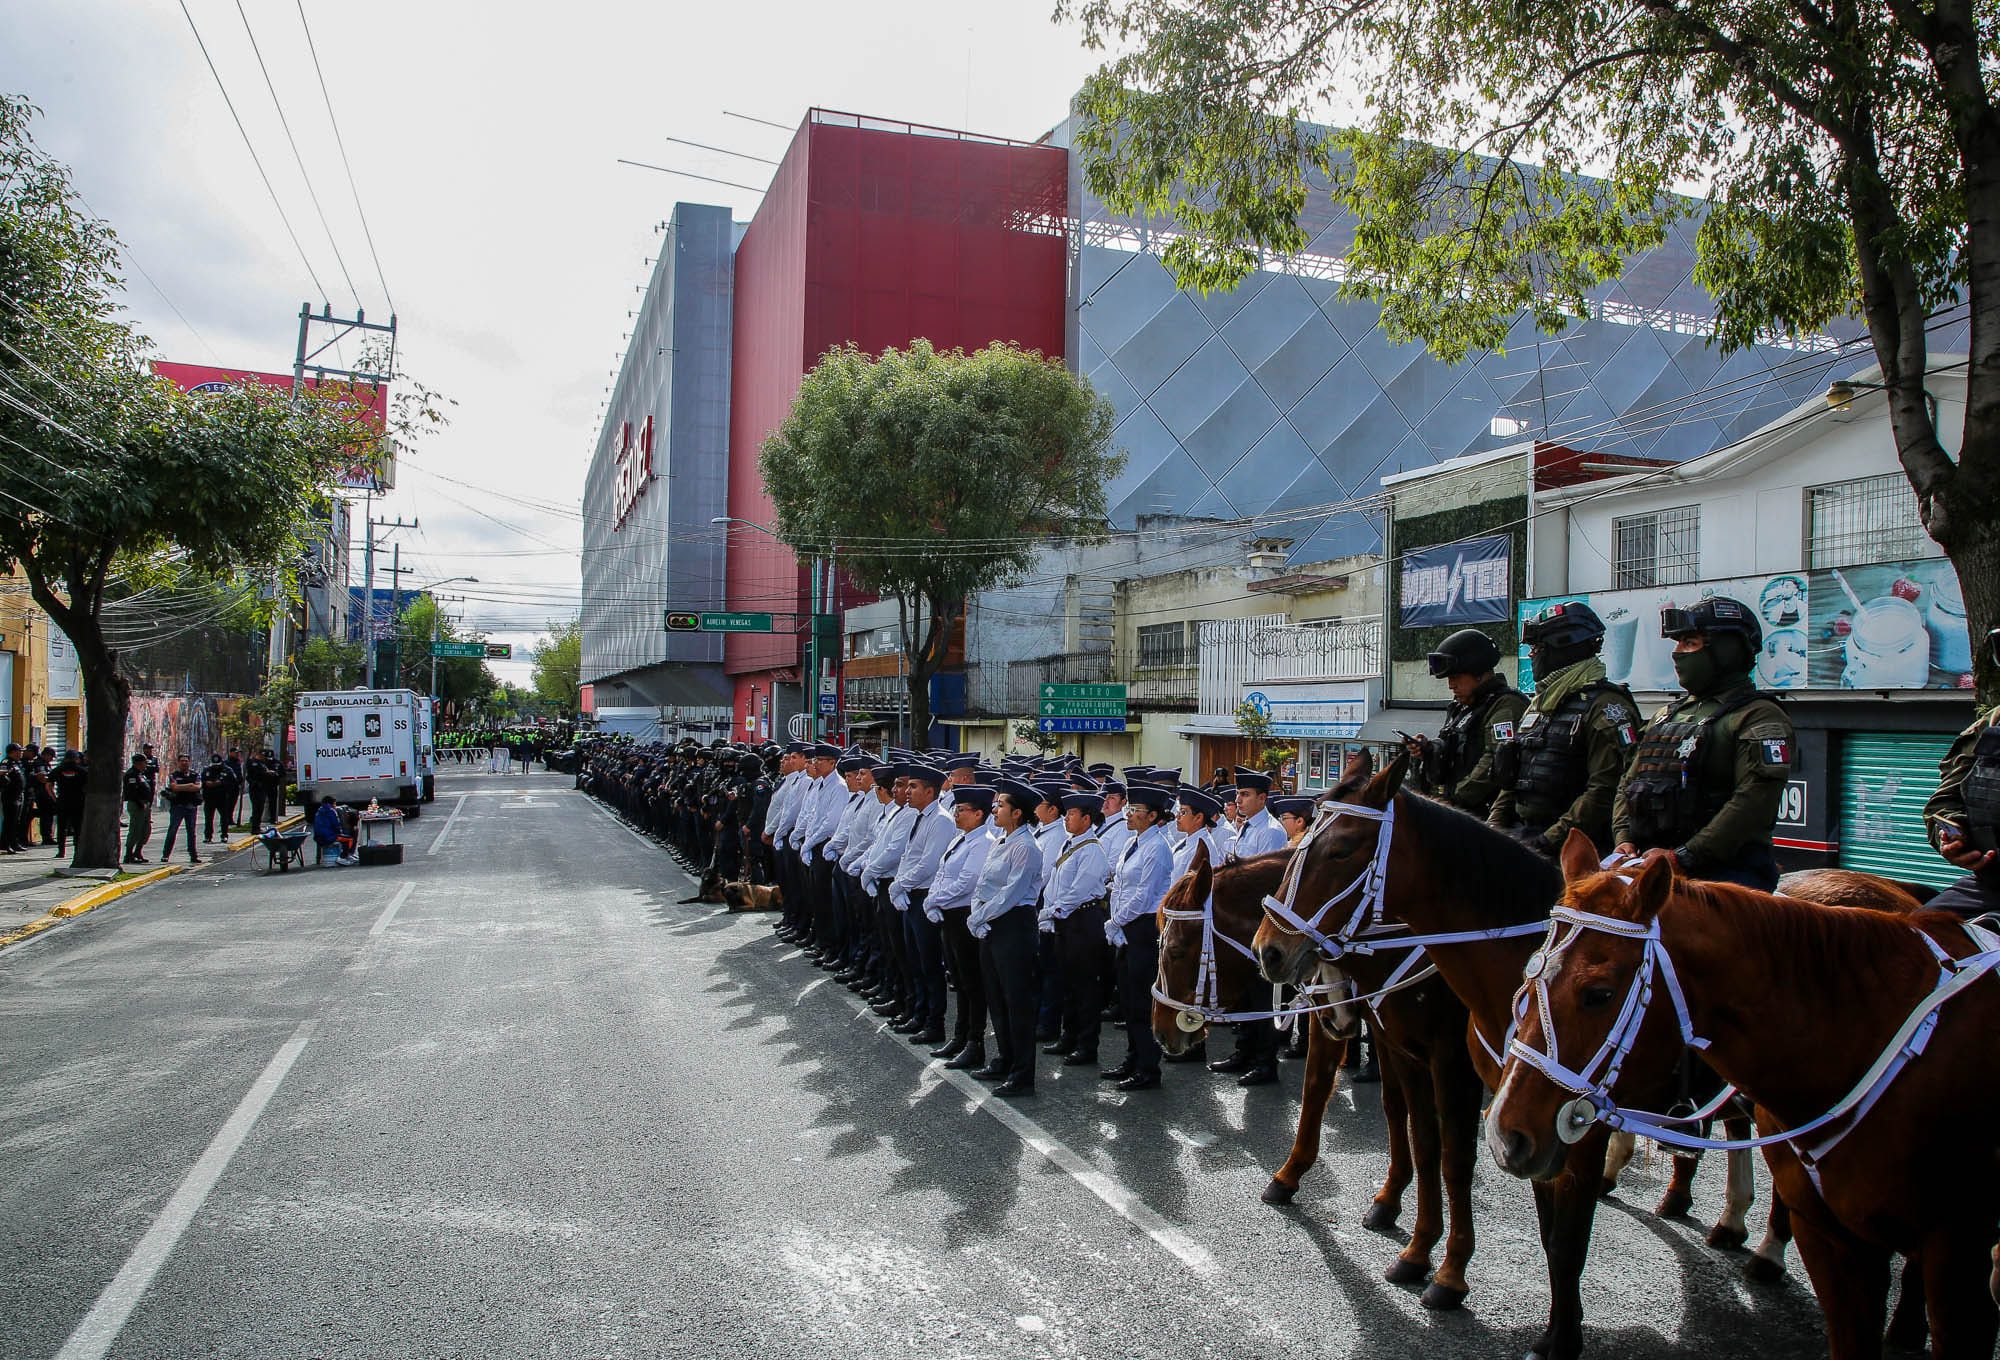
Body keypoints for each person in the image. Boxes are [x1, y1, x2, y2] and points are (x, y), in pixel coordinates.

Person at [1611, 597, 1795, 890]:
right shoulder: (1665, 714)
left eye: (1690, 643)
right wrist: (1624, 840)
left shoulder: (1758, 716)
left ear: (1726, 651)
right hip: (1651, 867)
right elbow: (1628, 782)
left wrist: (1684, 856)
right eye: (1677, 643)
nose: (1677, 653)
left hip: (1726, 877)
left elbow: (1752, 803)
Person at [1489, 601, 1640, 856]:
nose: (1533, 655)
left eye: (1538, 647)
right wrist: (1493, 827)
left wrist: (1546, 842)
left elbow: (1603, 791)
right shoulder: (1540, 704)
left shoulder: (1606, 706)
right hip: (1525, 838)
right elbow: (1513, 777)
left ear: (1564, 647)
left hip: (1576, 850)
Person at [968, 779, 1049, 1097]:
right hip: (991, 923)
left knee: (1018, 1002)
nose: (994, 809)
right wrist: (978, 913)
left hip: (1014, 925)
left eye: (1000, 805)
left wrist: (981, 916)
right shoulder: (1001, 840)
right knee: (996, 998)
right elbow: (983, 883)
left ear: (1017, 813)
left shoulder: (1027, 847)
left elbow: (1012, 893)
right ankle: (1004, 1057)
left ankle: (1022, 1074)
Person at [1406, 628, 1528, 818]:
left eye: (1456, 677)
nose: (1451, 685)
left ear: (1478, 672)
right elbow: (1455, 747)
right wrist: (1429, 749)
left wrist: (1453, 802)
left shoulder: (1506, 705)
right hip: (1459, 814)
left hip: (1485, 818)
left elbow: (1496, 760)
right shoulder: (1463, 706)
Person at [1103, 783, 1175, 1091]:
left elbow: (1145, 895)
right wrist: (1117, 921)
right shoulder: (1134, 842)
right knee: (1130, 999)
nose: (1129, 815)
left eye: (1136, 811)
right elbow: (1121, 885)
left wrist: (1117, 920)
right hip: (1127, 926)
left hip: (1144, 927)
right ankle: (1133, 1058)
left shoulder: (1157, 847)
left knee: (1143, 1001)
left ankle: (1149, 1068)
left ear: (1153, 816)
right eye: (1128, 809)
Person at [1923, 627, 2000, 917]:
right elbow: (1943, 804)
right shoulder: (1989, 727)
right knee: (1914, 939)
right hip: (1992, 885)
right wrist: (1954, 837)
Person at [1039, 791, 1113, 1068]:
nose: (1066, 818)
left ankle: (1086, 1044)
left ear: (1086, 818)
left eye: (1071, 814)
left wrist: (1051, 911)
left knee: (1085, 988)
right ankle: (1068, 1036)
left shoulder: (1092, 850)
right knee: (1066, 983)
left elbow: (1078, 892)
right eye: (1066, 813)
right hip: (1064, 922)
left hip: (1083, 921)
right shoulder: (1068, 845)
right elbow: (1055, 884)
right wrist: (1050, 912)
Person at [926, 785, 996, 1070]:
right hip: (950, 916)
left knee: (972, 983)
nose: (956, 814)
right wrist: (934, 898)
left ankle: (974, 1041)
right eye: (956, 809)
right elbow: (943, 873)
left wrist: (934, 900)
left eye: (962, 810)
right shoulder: (961, 839)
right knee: (959, 981)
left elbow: (967, 882)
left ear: (979, 814)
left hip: (965, 916)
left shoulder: (984, 842)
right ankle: (960, 1036)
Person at [890, 763, 957, 1046]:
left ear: (930, 791)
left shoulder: (940, 820)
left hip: (925, 897)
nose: (907, 791)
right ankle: (918, 1012)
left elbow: (929, 863)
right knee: (913, 960)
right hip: (911, 895)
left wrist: (901, 884)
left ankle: (934, 1022)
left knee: (930, 963)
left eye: (913, 787)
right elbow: (909, 856)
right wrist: (900, 884)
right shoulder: (919, 816)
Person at [1229, 767, 1288, 858]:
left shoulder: (1270, 831)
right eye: (1237, 793)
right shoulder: (1248, 824)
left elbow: (1266, 870)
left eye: (1245, 794)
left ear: (1262, 798)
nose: (1237, 800)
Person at [161, 756, 203, 864]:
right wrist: (189, 785)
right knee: (173, 830)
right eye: (182, 761)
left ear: (189, 762)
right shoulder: (174, 775)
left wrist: (183, 787)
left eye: (186, 761)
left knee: (191, 832)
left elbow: (198, 787)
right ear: (178, 762)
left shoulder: (195, 775)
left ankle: (193, 855)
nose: (184, 763)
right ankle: (166, 855)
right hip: (177, 806)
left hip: (191, 806)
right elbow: (174, 787)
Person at [52, 750, 88, 858]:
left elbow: (48, 784)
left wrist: (54, 797)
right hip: (78, 801)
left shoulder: (59, 769)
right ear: (77, 759)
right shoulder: (82, 771)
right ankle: (77, 851)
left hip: (63, 801)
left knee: (62, 828)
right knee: (78, 828)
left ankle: (61, 851)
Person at [122, 753, 154, 864]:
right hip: (137, 805)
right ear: (138, 763)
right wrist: (141, 803)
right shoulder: (131, 775)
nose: (146, 765)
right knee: (135, 830)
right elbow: (131, 792)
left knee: (145, 830)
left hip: (145, 805)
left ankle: (138, 852)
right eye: (145, 763)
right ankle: (129, 854)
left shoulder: (141, 774)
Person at [201, 751, 239, 843]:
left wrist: (221, 783)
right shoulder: (207, 770)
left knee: (224, 818)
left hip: (223, 798)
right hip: (209, 798)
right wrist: (211, 784)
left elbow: (234, 782)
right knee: (208, 818)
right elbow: (203, 782)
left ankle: (224, 835)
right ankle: (208, 836)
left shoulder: (227, 770)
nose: (216, 767)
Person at [0, 744, 25, 854]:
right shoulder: (6, 763)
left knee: (16, 821)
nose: (21, 753)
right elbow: (3, 776)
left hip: (19, 795)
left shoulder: (16, 763)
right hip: (10, 796)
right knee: (9, 821)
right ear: (13, 752)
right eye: (19, 751)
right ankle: (6, 844)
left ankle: (14, 843)